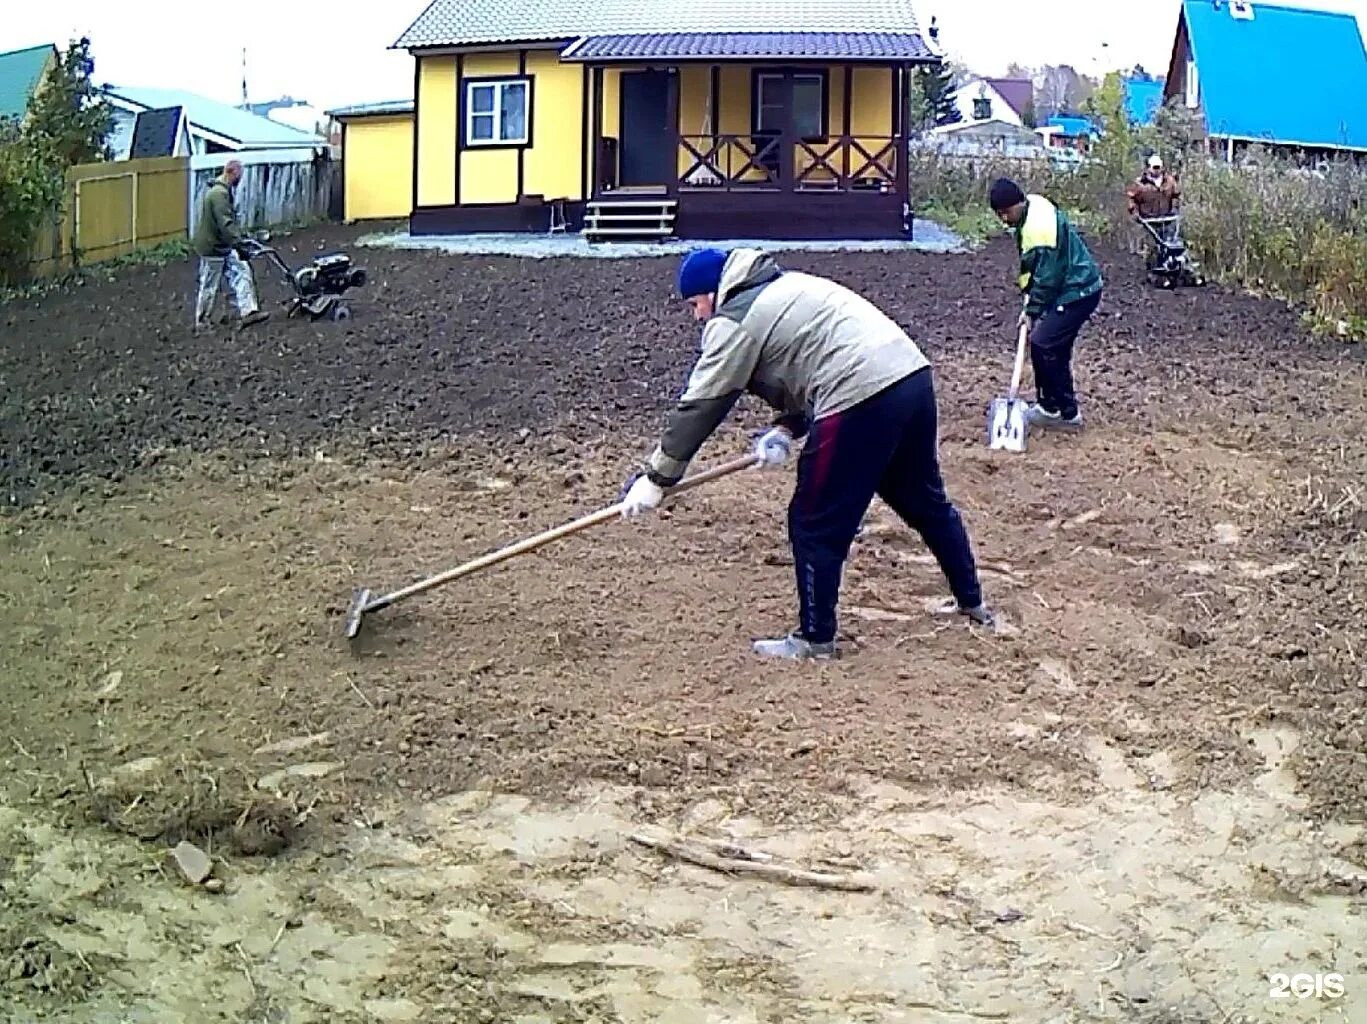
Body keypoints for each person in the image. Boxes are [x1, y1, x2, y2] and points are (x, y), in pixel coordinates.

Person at [617, 246, 994, 661]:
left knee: (814, 520)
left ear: (713, 291)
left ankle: (815, 639)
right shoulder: (786, 287)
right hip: (909, 379)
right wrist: (783, 429)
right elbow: (811, 362)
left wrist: (657, 479)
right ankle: (972, 602)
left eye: (696, 303)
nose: (698, 316)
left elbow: (702, 404)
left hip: (858, 396)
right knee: (924, 501)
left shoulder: (735, 319)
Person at [988, 178, 1103, 430]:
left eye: (1006, 213)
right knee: (1053, 347)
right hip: (1070, 286)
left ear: (1017, 203)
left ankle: (1062, 412)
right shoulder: (1033, 206)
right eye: (1000, 215)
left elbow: (1048, 278)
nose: (1004, 220)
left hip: (1078, 290)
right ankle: (1053, 407)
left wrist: (1031, 312)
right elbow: (1035, 267)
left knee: (1043, 344)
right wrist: (1028, 294)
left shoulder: (1038, 230)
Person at [191, 160, 268, 331]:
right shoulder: (218, 194)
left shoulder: (223, 192)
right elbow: (225, 224)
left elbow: (230, 223)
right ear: (231, 173)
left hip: (223, 245)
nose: (239, 180)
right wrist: (239, 243)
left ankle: (249, 312)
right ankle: (202, 322)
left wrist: (241, 238)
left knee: (243, 271)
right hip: (212, 248)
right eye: (238, 176)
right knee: (209, 284)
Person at [1125, 153, 1181, 220]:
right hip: (1146, 220)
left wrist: (1175, 208)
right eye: (1155, 167)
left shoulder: (1169, 181)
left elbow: (1176, 196)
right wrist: (1135, 213)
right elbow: (1131, 199)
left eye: (1158, 167)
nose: (1157, 170)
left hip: (1167, 218)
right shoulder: (1140, 183)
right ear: (1149, 168)